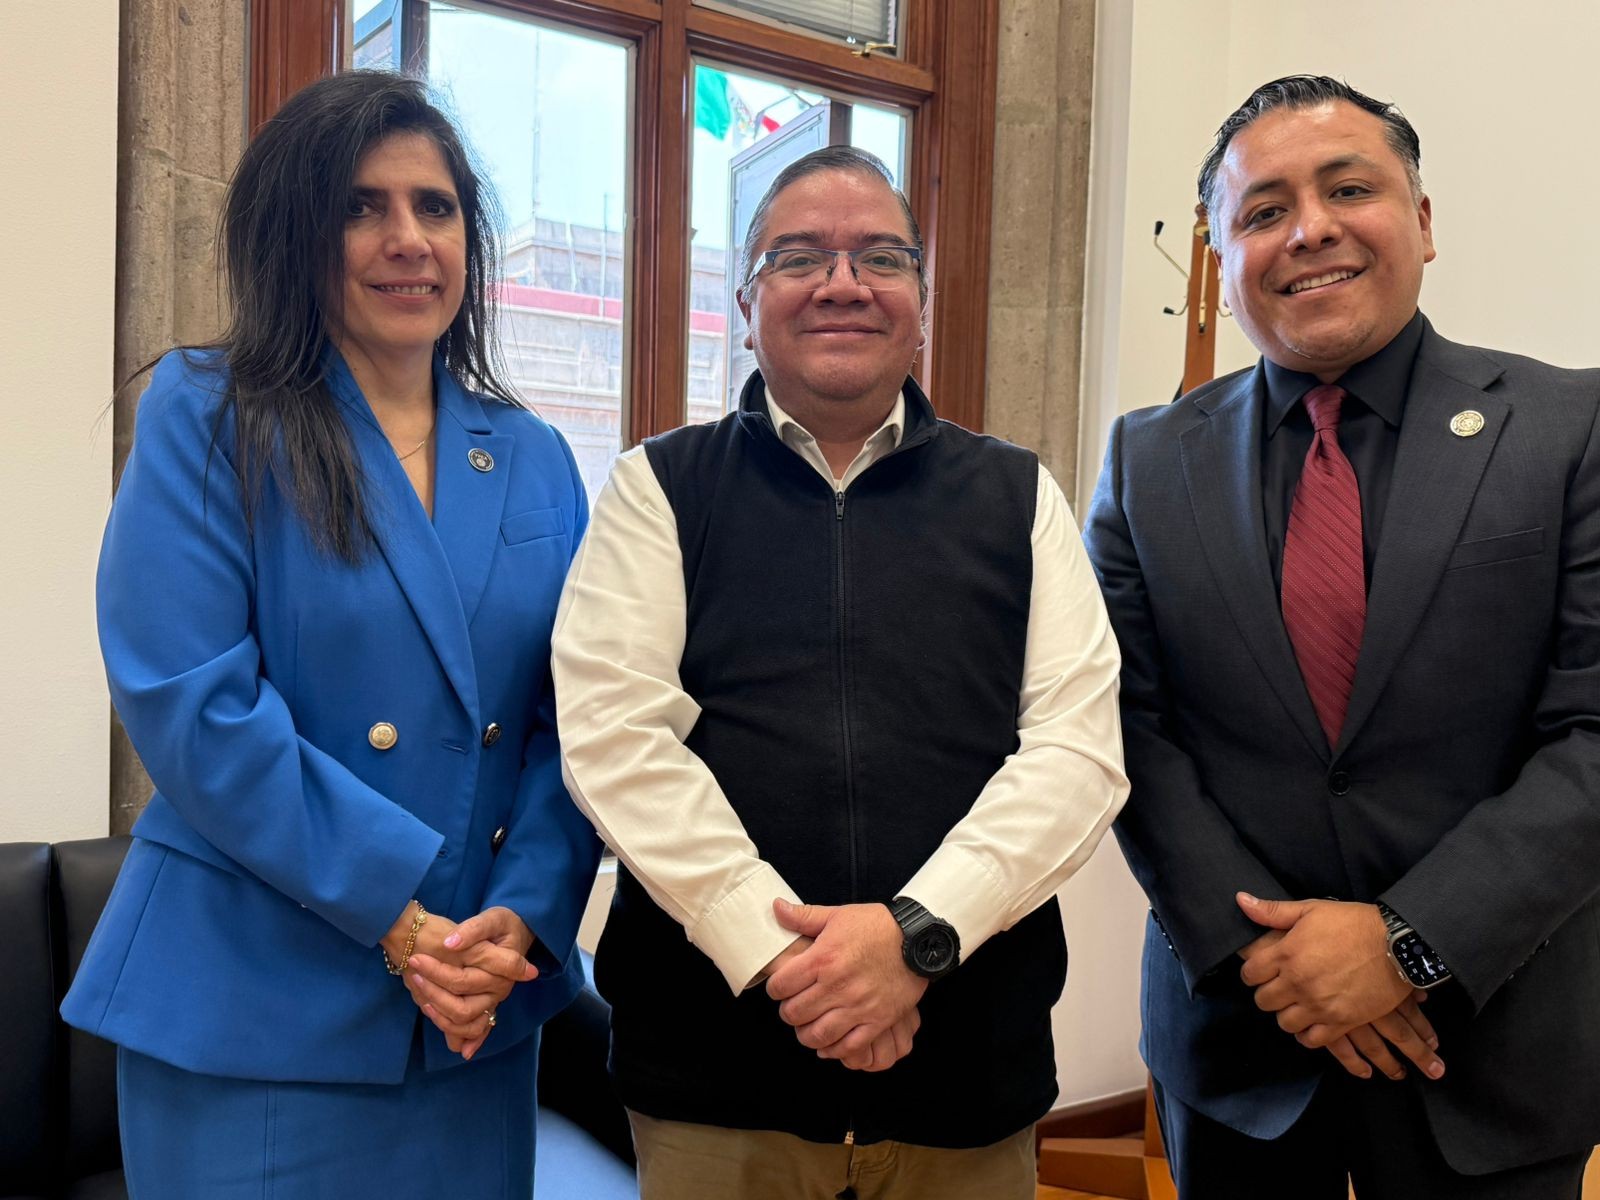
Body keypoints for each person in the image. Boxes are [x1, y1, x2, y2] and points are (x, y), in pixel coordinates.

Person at [550, 145, 1128, 1200]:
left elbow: (1076, 754)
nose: (843, 283)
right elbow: (616, 742)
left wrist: (916, 938)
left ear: (922, 304)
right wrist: (788, 962)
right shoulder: (657, 488)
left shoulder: (1018, 496)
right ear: (745, 302)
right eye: (799, 256)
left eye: (881, 257)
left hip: (967, 1076)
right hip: (715, 1086)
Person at [61, 71, 600, 1197]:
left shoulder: (538, 455)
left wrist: (526, 917)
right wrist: (400, 921)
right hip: (255, 1007)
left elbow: (576, 721)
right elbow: (194, 705)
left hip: (472, 1014)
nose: (408, 239)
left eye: (434, 206)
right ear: (294, 234)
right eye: (361, 206)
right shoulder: (209, 411)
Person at [1084, 75, 1600, 1198]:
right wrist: (1270, 963)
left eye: (1348, 189)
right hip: (1238, 1046)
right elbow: (1122, 728)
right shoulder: (1144, 461)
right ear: (1222, 256)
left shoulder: (1571, 429)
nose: (1309, 229)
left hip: (1492, 1045)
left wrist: (1410, 945)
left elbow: (1592, 734)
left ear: (1422, 219)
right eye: (1263, 210)